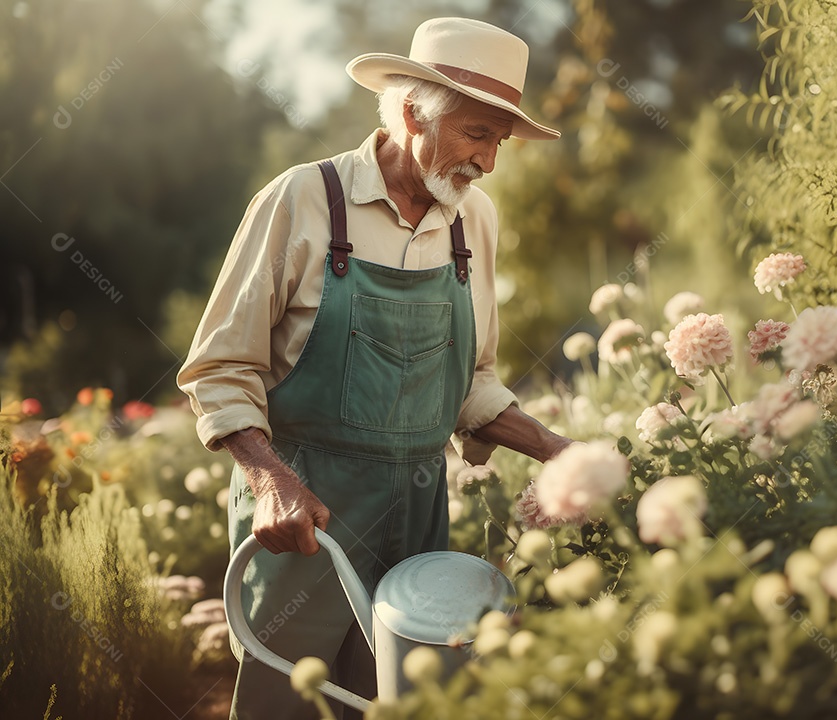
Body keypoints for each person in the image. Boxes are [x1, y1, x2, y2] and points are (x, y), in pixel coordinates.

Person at [177, 17, 573, 720]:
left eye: (499, 142)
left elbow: (470, 382)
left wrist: (555, 451)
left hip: (420, 514)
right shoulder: (300, 200)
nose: (488, 163)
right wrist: (269, 480)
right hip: (309, 519)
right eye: (477, 135)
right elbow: (218, 368)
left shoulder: (472, 221)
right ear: (415, 109)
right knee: (286, 699)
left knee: (402, 701)